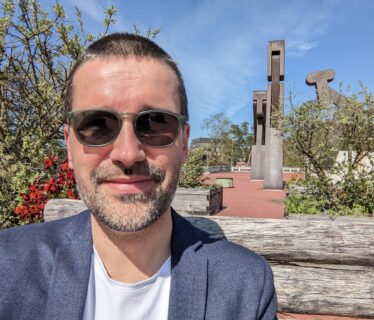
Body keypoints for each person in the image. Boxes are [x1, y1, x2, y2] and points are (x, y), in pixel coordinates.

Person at [0, 33, 277, 319]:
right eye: (97, 125)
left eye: (155, 124)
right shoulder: (7, 264)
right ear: (69, 145)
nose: (128, 153)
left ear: (184, 143)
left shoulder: (246, 287)